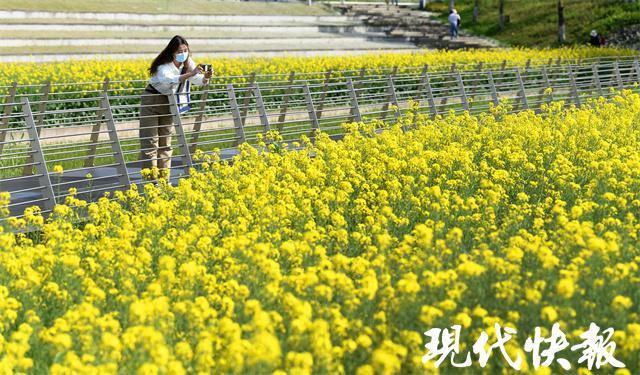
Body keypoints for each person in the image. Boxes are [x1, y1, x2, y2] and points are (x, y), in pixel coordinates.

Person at [139, 35, 212, 176]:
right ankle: (150, 181)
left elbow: (197, 79)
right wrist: (191, 73)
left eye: (185, 50)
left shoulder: (187, 62)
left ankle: (164, 179)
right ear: (171, 52)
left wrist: (206, 77)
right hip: (152, 100)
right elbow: (168, 80)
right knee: (151, 142)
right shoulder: (163, 65)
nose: (183, 54)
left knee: (166, 142)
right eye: (179, 51)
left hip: (170, 100)